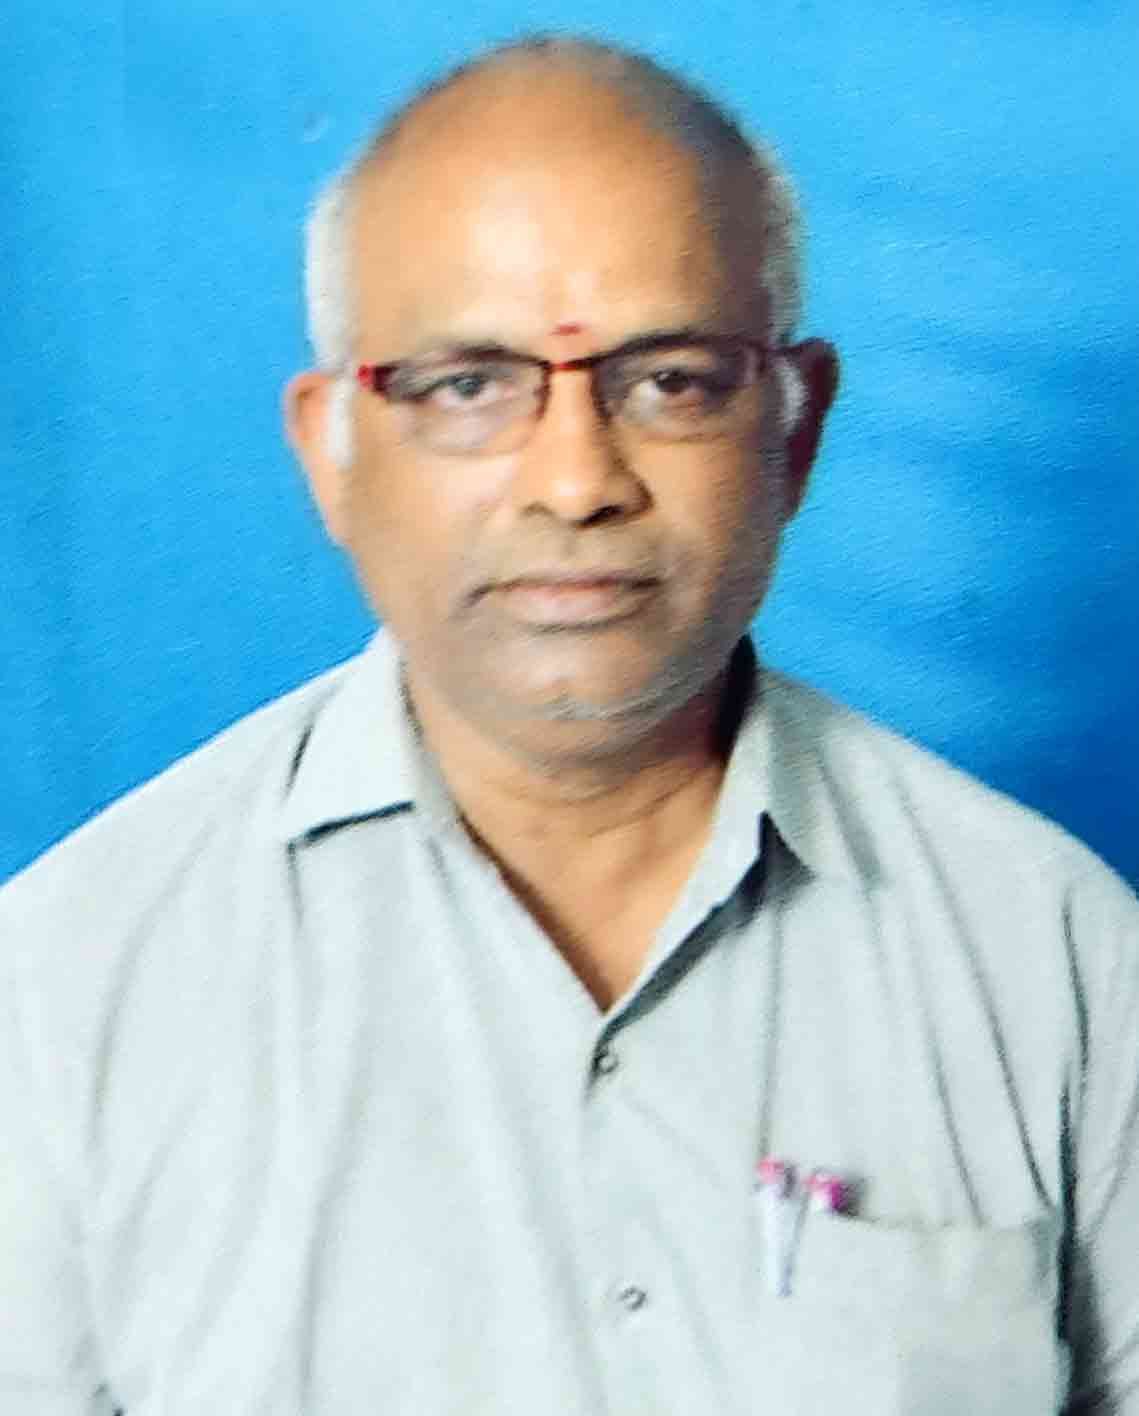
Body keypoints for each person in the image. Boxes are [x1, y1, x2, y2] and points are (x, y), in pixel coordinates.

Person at [1, 34, 1136, 1416]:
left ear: (796, 432)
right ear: (330, 452)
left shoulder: (1056, 955)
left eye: (672, 381)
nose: (576, 480)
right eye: (469, 385)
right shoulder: (63, 988)